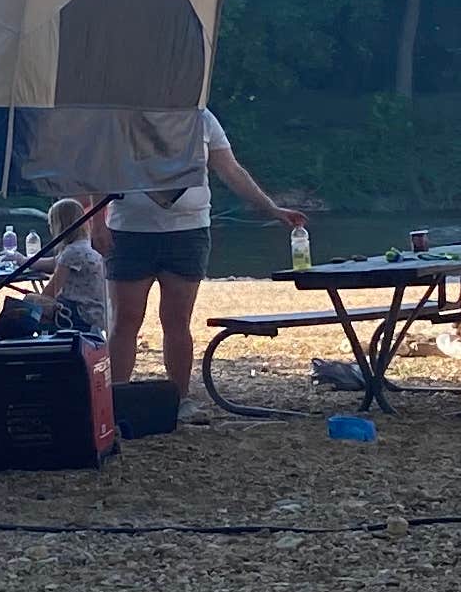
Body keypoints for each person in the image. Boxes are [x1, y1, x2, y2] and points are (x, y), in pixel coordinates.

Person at [103, 107, 303, 399]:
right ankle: (116, 399)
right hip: (130, 231)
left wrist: (270, 208)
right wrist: (96, 225)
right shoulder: (123, 118)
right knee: (125, 319)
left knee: (177, 320)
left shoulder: (202, 118)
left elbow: (231, 170)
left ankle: (179, 399)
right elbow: (99, 171)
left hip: (188, 231)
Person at [34, 196, 112, 340]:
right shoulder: (88, 246)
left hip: (80, 314)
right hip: (99, 313)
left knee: (32, 303)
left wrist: (33, 300)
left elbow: (50, 292)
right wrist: (23, 260)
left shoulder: (71, 253)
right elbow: (54, 262)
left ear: (59, 226)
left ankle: (33, 344)